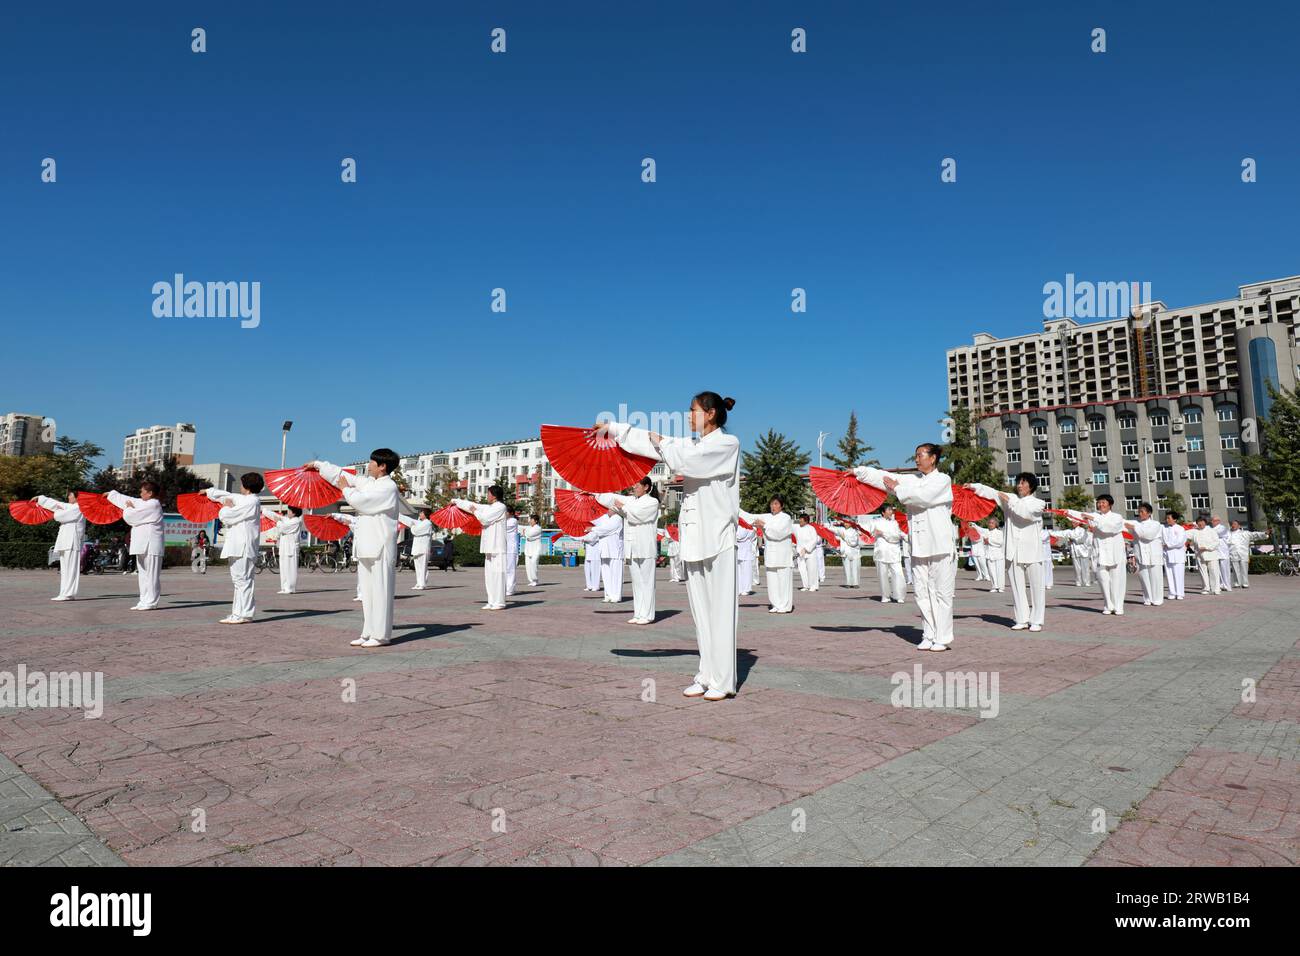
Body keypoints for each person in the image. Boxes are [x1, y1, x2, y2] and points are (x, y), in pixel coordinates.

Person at [607, 391, 741, 700]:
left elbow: (688, 461)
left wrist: (661, 442)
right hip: (695, 538)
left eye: (693, 411)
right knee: (701, 614)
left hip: (718, 537)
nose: (689, 416)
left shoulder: (726, 444)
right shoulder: (692, 444)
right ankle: (706, 675)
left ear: (709, 414)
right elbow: (653, 443)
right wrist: (615, 430)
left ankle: (724, 680)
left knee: (721, 613)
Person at [856, 444, 956, 650]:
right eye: (915, 456)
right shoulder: (913, 480)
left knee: (941, 593)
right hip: (919, 545)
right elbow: (883, 478)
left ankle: (942, 637)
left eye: (921, 455)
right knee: (921, 592)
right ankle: (928, 634)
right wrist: (859, 473)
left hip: (939, 544)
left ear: (933, 458)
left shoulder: (942, 480)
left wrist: (898, 488)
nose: (917, 460)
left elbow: (923, 497)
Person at [311, 450, 402, 645]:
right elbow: (343, 476)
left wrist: (345, 490)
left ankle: (381, 635)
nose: (368, 466)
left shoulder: (389, 487)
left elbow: (362, 502)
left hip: (381, 546)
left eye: (371, 463)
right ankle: (368, 632)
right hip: (366, 544)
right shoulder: (370, 483)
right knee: (367, 592)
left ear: (382, 466)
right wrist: (319, 465)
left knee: (381, 591)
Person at [972, 474, 1045, 632]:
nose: (1019, 485)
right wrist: (974, 486)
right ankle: (1022, 619)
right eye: (1018, 482)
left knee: (1037, 587)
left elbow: (1025, 513)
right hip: (1012, 550)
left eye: (1023, 483)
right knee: (1017, 587)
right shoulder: (1010, 497)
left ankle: (1036, 620)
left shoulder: (1039, 503)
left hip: (1032, 550)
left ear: (1031, 486)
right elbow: (992, 492)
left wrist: (1008, 499)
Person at [597, 478, 661, 624]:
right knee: (637, 583)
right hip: (632, 548)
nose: (634, 487)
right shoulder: (631, 500)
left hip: (645, 547)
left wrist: (623, 508)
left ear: (646, 487)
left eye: (637, 485)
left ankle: (648, 615)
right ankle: (638, 613)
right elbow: (612, 498)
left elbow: (639, 516)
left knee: (647, 582)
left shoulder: (652, 502)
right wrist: (592, 492)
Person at [206, 475, 264, 623]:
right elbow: (229, 496)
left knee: (243, 580)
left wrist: (226, 507)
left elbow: (227, 516)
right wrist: (209, 492)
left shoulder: (251, 501)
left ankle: (244, 614)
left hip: (243, 546)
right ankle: (239, 613)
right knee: (240, 580)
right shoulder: (247, 499)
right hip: (239, 546)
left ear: (247, 486)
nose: (240, 487)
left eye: (242, 484)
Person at [106, 482, 165, 609]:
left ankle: (151, 602)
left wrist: (128, 508)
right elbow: (130, 500)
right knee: (143, 574)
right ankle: (143, 600)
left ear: (150, 493)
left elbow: (131, 517)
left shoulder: (154, 504)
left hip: (152, 545)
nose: (140, 493)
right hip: (142, 543)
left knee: (151, 575)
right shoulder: (144, 503)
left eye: (142, 491)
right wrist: (111, 494)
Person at [1066, 495, 1127, 615]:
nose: (1100, 505)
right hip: (1100, 553)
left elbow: (1109, 527)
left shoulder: (1117, 517)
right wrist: (1067, 512)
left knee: (1117, 580)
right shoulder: (1094, 516)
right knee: (1103, 580)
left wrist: (1093, 518)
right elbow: (1079, 514)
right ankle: (1108, 604)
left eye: (1103, 502)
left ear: (1110, 504)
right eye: (1099, 503)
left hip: (1115, 553)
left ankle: (1118, 606)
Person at [452, 486, 509, 610]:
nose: (487, 496)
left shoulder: (500, 507)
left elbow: (485, 519)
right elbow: (474, 505)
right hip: (489, 546)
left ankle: (499, 602)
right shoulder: (490, 507)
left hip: (498, 547)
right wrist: (457, 502)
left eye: (488, 493)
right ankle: (491, 600)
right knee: (489, 575)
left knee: (498, 574)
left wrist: (475, 511)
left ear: (494, 495)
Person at [740, 496, 793, 613]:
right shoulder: (767, 517)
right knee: (772, 581)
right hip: (771, 555)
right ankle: (776, 604)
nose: (773, 506)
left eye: (776, 504)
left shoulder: (786, 518)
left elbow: (779, 533)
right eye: (771, 504)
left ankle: (785, 606)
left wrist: (764, 526)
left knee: (784, 582)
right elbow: (750, 517)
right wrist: (734, 507)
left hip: (783, 555)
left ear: (781, 505)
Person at [35, 492, 85, 601]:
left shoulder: (79, 508)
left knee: (71, 569)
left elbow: (60, 516)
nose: (68, 497)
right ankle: (64, 592)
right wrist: (40, 499)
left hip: (72, 541)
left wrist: (58, 511)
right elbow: (56, 504)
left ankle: (69, 593)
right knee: (65, 569)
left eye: (71, 495)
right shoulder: (70, 507)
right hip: (65, 541)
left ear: (77, 497)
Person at [1124, 503, 1164, 607]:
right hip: (1140, 554)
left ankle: (1157, 599)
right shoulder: (1136, 523)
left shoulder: (1156, 524)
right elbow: (1121, 523)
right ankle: (1147, 598)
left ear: (1149, 513)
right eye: (1139, 511)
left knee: (1156, 577)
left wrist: (1134, 527)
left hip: (1153, 554)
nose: (1140, 513)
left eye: (1142, 511)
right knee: (1144, 577)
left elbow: (1148, 535)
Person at [865, 504, 906, 603]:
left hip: (894, 552)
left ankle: (899, 595)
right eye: (888, 510)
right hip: (881, 552)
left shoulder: (895, 523)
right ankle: (885, 595)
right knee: (882, 575)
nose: (891, 512)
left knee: (898, 573)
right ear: (883, 512)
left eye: (891, 510)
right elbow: (866, 529)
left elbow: (896, 537)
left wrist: (883, 533)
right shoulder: (875, 522)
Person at [266, 506, 303, 594]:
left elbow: (283, 528)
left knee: (290, 568)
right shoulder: (287, 520)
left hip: (291, 549)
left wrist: (278, 521)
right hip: (284, 548)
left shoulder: (296, 521)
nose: (287, 512)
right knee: (283, 568)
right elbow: (277, 517)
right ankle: (284, 587)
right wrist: (265, 511)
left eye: (289, 511)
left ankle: (290, 588)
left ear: (294, 513)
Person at [591, 509, 626, 603]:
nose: (607, 510)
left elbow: (606, 529)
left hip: (615, 551)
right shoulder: (605, 518)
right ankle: (608, 595)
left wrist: (592, 529)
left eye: (609, 508)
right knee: (606, 574)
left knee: (616, 574)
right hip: (605, 550)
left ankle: (616, 596)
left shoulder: (618, 518)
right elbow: (593, 519)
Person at [399, 508, 434, 590]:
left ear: (425, 514)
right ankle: (419, 583)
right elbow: (410, 520)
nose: (420, 514)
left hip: (423, 549)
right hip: (417, 548)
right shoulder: (421, 523)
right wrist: (399, 515)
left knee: (423, 567)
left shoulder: (428, 523)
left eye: (421, 513)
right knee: (417, 567)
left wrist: (413, 526)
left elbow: (416, 531)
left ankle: (423, 584)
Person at [1189, 517, 1223, 595]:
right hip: (1200, 555)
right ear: (1197, 523)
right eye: (1199, 522)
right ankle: (1206, 588)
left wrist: (1207, 547)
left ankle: (1216, 589)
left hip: (1211, 554)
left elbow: (1216, 542)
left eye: (1202, 522)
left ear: (1205, 522)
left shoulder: (1211, 531)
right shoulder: (1194, 531)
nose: (1200, 524)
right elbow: (1183, 534)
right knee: (1203, 572)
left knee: (1214, 572)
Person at [1227, 521, 1266, 588]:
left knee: (1244, 569)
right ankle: (1237, 583)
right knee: (1235, 569)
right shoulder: (1228, 534)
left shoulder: (1245, 533)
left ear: (1239, 526)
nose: (1233, 525)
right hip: (1233, 553)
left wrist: (1264, 533)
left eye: (1235, 524)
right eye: (1232, 524)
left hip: (1243, 553)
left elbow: (1255, 534)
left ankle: (1245, 583)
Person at [1161, 512, 1188, 600]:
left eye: (1169, 518)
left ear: (1175, 519)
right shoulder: (1164, 528)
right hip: (1167, 555)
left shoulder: (1180, 529)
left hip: (1177, 555)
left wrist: (1167, 544)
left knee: (1178, 575)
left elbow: (1180, 542)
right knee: (1169, 575)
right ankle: (1172, 592)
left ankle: (1180, 593)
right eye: (1166, 518)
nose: (1167, 520)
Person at [833, 519, 861, 588]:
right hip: (845, 552)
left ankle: (855, 583)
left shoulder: (854, 531)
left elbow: (853, 543)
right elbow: (833, 530)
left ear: (851, 524)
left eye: (847, 523)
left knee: (855, 567)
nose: (846, 524)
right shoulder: (842, 530)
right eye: (845, 523)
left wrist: (844, 537)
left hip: (854, 552)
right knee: (846, 568)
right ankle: (848, 582)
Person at [795, 514, 819, 592]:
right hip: (800, 552)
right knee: (802, 569)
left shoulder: (811, 528)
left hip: (810, 552)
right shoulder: (797, 528)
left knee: (812, 569)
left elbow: (814, 540)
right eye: (800, 520)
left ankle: (813, 585)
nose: (800, 522)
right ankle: (805, 585)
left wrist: (807, 548)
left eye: (802, 520)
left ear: (806, 521)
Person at [1065, 522, 1093, 587]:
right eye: (1072, 522)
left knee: (1085, 568)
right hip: (1074, 552)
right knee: (1077, 568)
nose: (1073, 524)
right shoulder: (1071, 531)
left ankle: (1086, 582)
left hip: (1083, 552)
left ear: (1078, 523)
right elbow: (1068, 543)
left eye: (1074, 522)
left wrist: (1073, 539)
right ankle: (1078, 582)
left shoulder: (1083, 531)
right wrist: (1069, 542)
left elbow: (1082, 540)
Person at [1210, 516, 1233, 592]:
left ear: (1218, 521)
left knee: (1225, 569)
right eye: (1211, 521)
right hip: (1215, 551)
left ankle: (1227, 585)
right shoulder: (1211, 529)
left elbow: (1218, 534)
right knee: (1216, 570)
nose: (1212, 522)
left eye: (1213, 521)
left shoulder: (1223, 528)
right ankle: (1220, 584)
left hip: (1223, 552)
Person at [983, 516, 1006, 593]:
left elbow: (1000, 543)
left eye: (992, 523)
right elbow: (985, 542)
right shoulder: (986, 532)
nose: (990, 524)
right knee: (991, 571)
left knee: (1000, 571)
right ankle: (994, 586)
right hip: (989, 554)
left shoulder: (999, 532)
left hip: (998, 555)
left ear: (996, 524)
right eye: (989, 523)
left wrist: (989, 540)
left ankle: (1000, 587)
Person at [736, 520, 758, 595]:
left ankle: (745, 589)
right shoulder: (750, 529)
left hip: (745, 551)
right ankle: (739, 588)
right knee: (739, 572)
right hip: (740, 551)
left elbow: (739, 536)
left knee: (746, 571)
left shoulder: (747, 528)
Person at [521, 514, 543, 587]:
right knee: (528, 566)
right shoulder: (529, 527)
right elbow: (522, 532)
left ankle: (535, 580)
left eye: (531, 520)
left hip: (536, 549)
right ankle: (531, 580)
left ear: (536, 521)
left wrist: (525, 533)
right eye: (530, 519)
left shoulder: (538, 528)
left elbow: (529, 534)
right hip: (528, 549)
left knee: (533, 564)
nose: (530, 521)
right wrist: (524, 533)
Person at [504, 506, 520, 597]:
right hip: (506, 548)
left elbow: (504, 527)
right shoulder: (505, 521)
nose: (504, 514)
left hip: (511, 549)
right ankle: (507, 587)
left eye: (506, 512)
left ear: (511, 513)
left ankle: (510, 589)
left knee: (510, 570)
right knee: (506, 569)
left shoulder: (513, 521)